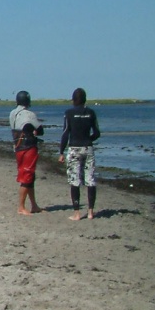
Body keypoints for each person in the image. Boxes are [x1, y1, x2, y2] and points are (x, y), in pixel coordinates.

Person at [59, 88, 101, 221]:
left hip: (74, 148)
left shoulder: (69, 113)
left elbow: (65, 133)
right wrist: (88, 139)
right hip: (88, 147)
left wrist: (61, 151)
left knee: (75, 180)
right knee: (90, 180)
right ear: (85, 99)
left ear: (73, 100)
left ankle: (77, 213)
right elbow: (97, 132)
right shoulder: (91, 112)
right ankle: (90, 212)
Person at [10, 90, 44, 215]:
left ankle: (34, 205)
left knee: (29, 176)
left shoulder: (13, 113)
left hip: (18, 147)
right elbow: (40, 130)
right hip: (28, 147)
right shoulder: (29, 114)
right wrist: (34, 132)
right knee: (27, 175)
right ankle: (21, 207)